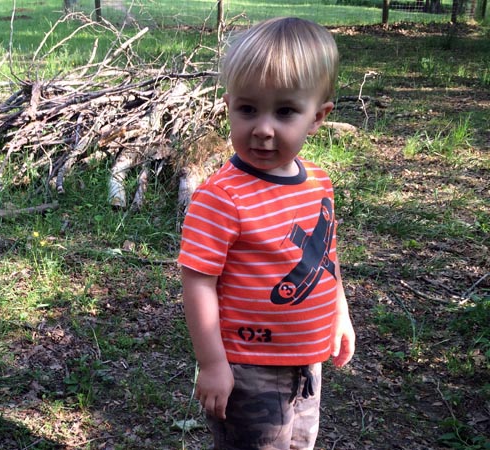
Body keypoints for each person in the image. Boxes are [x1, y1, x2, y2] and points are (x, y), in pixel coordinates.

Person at [178, 17, 356, 450]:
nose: (263, 127)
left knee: (299, 442)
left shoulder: (318, 181)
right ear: (228, 107)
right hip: (248, 367)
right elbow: (198, 281)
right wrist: (213, 363)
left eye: (285, 111)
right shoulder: (221, 196)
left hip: (306, 362)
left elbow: (323, 256)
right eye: (248, 109)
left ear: (317, 117)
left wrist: (339, 313)